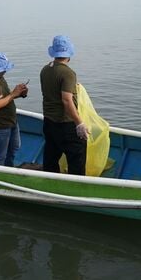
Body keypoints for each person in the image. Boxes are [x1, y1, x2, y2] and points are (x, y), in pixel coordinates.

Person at [39, 35, 87, 175]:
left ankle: (50, 181)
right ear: (69, 54)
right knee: (77, 157)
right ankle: (76, 187)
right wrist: (79, 123)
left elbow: (52, 90)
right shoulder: (68, 73)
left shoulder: (45, 69)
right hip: (65, 123)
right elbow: (66, 100)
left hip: (49, 121)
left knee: (51, 156)